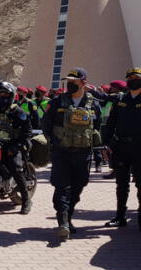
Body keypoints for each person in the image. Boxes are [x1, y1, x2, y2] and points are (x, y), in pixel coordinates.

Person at [42, 68, 101, 239]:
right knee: (62, 186)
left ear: (83, 83)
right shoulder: (56, 102)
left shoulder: (93, 103)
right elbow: (46, 124)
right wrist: (54, 142)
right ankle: (63, 222)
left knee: (78, 185)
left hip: (83, 153)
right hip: (62, 152)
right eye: (68, 81)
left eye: (74, 82)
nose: (70, 85)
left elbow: (95, 127)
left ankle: (68, 217)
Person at [102, 68, 141, 229]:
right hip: (121, 147)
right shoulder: (120, 99)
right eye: (129, 78)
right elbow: (111, 123)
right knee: (121, 184)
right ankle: (120, 216)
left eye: (135, 77)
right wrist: (106, 144)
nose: (132, 80)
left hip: (140, 147)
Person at [0, 82, 34, 214]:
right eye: (0, 94)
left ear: (12, 96)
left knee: (15, 168)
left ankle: (26, 200)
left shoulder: (17, 111)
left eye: (5, 94)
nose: (2, 96)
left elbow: (27, 131)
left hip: (11, 144)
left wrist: (17, 145)